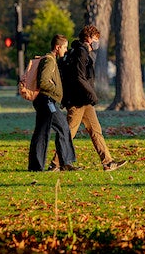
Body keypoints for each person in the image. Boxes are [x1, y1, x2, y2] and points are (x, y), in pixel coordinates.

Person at [50, 25, 127, 172]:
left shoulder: (81, 52)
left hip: (84, 101)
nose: (97, 42)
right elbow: (79, 77)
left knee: (95, 130)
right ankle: (55, 164)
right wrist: (92, 94)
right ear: (88, 38)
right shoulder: (80, 52)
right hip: (78, 101)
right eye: (96, 39)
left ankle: (108, 162)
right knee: (69, 132)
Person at [28, 34, 82, 172]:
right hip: (47, 101)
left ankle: (36, 166)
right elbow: (43, 82)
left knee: (41, 132)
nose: (65, 49)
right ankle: (65, 163)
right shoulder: (49, 61)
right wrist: (57, 92)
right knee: (63, 127)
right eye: (64, 47)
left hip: (45, 101)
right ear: (57, 47)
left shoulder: (52, 60)